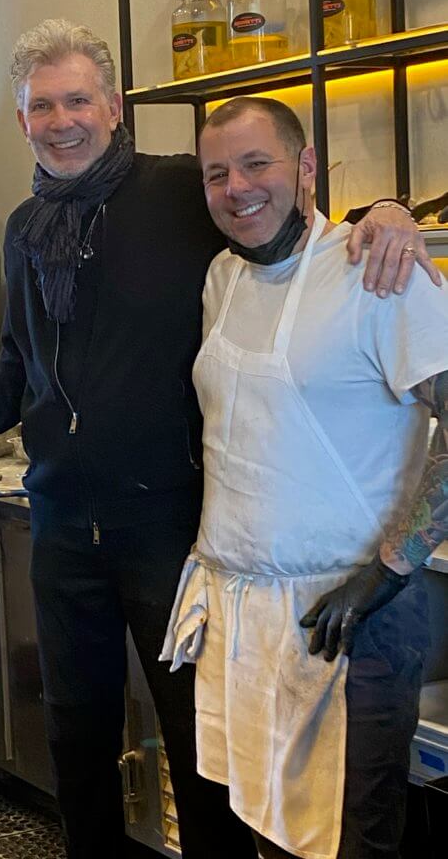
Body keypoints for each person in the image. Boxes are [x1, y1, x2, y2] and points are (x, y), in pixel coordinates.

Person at [0, 20, 438, 859]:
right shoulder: (25, 230)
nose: (62, 120)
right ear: (22, 120)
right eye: (41, 105)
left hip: (168, 528)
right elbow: (21, 360)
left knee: (207, 754)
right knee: (77, 735)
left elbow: (287, 223)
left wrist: (388, 213)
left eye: (78, 99)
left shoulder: (180, 193)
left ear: (115, 106)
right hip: (67, 523)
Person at [161, 96, 448, 859]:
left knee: (349, 840)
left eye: (258, 164)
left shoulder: (377, 270)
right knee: (268, 831)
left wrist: (388, 571)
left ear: (308, 167)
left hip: (349, 618)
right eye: (217, 174)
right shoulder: (221, 278)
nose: (237, 188)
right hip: (244, 618)